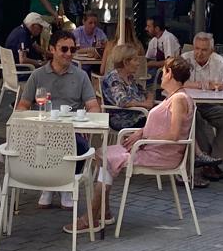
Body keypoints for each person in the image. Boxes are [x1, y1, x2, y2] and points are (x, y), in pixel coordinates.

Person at [81, 57, 196, 229]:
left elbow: (174, 134)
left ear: (169, 73)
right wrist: (141, 132)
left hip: (160, 155)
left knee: (105, 157)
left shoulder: (179, 99)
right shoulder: (173, 96)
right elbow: (162, 125)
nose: (161, 76)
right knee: (102, 154)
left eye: (163, 71)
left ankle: (92, 216)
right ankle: (102, 213)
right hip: (151, 149)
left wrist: (145, 139)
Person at [18, 31, 103, 210]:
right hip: (42, 130)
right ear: (52, 50)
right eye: (64, 49)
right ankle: (48, 184)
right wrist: (28, 122)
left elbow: (93, 106)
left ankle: (66, 185)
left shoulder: (80, 76)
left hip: (71, 131)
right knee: (34, 145)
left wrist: (88, 121)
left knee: (81, 146)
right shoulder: (38, 75)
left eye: (72, 49)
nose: (69, 53)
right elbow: (23, 106)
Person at [181, 33, 223, 182]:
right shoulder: (185, 58)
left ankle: (213, 160)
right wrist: (200, 85)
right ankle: (206, 160)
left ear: (211, 51)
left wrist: (220, 85)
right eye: (197, 48)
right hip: (188, 104)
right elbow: (176, 82)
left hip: (209, 103)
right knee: (195, 119)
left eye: (204, 50)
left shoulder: (218, 61)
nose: (199, 53)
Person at [100, 44, 155, 113]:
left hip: (141, 114)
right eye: (135, 60)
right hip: (126, 120)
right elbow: (123, 101)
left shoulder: (129, 77)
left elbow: (146, 92)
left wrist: (149, 101)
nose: (138, 63)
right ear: (126, 62)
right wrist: (145, 104)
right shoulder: (113, 79)